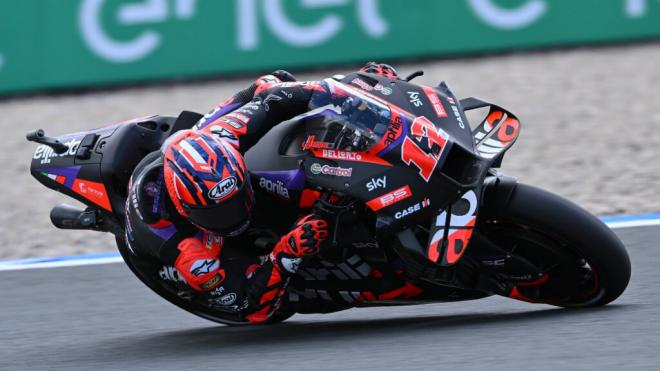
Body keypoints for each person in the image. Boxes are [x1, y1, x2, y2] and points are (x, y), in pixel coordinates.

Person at [124, 62, 404, 323]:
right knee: (245, 287)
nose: (234, 215)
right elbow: (250, 308)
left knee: (275, 81)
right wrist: (286, 253)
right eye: (219, 213)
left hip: (198, 144)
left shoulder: (225, 136)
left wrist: (359, 89)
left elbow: (281, 95)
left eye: (235, 202)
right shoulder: (190, 252)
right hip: (185, 244)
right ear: (186, 209)